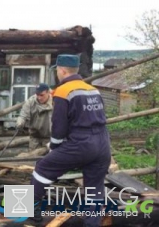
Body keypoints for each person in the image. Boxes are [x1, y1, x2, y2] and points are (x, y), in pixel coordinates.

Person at [30, 54, 111, 226]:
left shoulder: (63, 91)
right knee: (94, 189)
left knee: (41, 168)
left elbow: (59, 126)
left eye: (57, 70)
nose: (57, 74)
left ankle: (27, 213)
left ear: (62, 70)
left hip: (81, 143)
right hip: (103, 143)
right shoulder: (92, 89)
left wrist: (54, 148)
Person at [16, 83, 53, 150]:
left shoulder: (55, 102)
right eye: (37, 95)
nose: (39, 97)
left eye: (42, 95)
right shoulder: (31, 101)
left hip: (50, 139)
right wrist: (20, 122)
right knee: (32, 158)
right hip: (34, 138)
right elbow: (23, 114)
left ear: (48, 93)